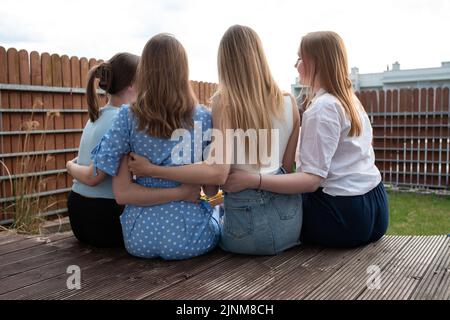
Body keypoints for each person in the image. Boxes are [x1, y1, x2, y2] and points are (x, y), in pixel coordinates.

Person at [127, 25, 302, 256]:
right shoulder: (290, 103)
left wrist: (153, 170)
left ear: (225, 62)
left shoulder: (224, 102)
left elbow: (212, 187)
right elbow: (287, 169)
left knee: (211, 220)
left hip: (245, 232)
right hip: (290, 225)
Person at [223, 31, 389, 248]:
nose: (295, 64)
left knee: (275, 212)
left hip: (344, 217)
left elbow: (311, 181)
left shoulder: (322, 108)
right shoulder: (350, 101)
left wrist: (252, 179)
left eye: (300, 58)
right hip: (377, 205)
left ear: (315, 62)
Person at [90, 34, 220, 260]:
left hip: (138, 237)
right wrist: (182, 191)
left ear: (144, 70)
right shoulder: (204, 118)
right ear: (183, 71)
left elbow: (121, 194)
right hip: (190, 237)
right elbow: (210, 190)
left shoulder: (127, 117)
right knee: (219, 212)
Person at [66, 52, 139, 247]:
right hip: (102, 215)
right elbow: (94, 176)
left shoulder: (96, 117)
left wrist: (70, 166)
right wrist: (69, 166)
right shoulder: (120, 120)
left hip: (78, 211)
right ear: (132, 83)